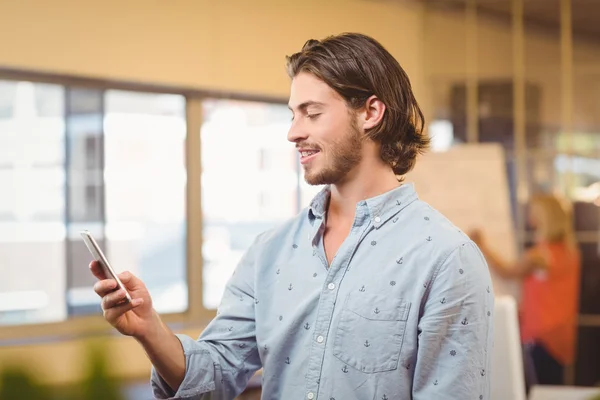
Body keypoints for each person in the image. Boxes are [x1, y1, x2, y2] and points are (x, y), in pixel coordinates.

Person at [91, 33, 494, 400]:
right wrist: (150, 330)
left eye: (312, 113)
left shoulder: (446, 258)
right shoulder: (271, 252)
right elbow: (213, 378)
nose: (293, 132)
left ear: (370, 112)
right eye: (292, 114)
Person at [470, 193, 580, 386]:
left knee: (540, 390)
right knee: (553, 389)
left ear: (544, 218)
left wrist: (482, 245)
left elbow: (506, 272)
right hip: (561, 336)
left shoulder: (540, 256)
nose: (529, 218)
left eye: (532, 213)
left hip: (541, 336)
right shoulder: (570, 252)